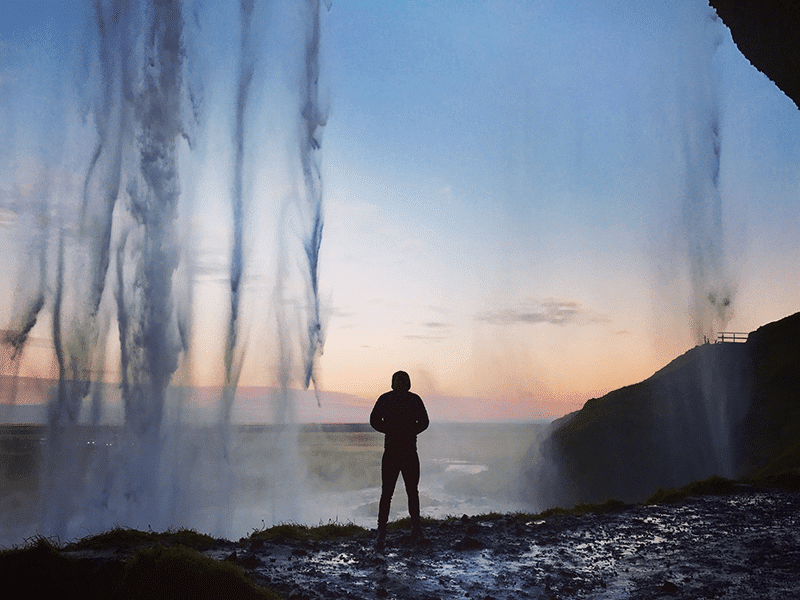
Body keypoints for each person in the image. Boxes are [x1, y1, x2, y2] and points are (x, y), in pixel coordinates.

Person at [369, 370, 429, 550]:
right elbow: (374, 420)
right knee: (393, 493)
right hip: (399, 452)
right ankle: (385, 532)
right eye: (399, 380)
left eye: (403, 381)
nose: (401, 384)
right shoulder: (396, 399)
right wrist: (398, 430)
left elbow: (424, 422)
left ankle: (409, 530)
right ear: (394, 383)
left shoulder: (407, 399)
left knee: (404, 492)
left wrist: (397, 430)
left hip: (404, 452)